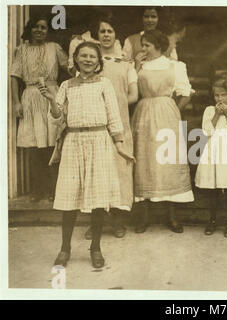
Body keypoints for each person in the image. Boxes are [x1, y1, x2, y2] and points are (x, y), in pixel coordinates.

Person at [39, 41, 134, 268]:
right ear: (76, 59)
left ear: (98, 61)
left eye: (92, 56)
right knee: (69, 197)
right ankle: (65, 248)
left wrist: (120, 145)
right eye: (84, 56)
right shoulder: (66, 85)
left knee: (98, 199)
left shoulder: (105, 84)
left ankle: (96, 248)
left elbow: (113, 115)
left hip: (99, 141)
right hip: (73, 142)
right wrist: (52, 100)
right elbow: (56, 116)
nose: (88, 60)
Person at [132, 30, 193, 234]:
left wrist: (172, 109)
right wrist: (135, 65)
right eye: (142, 44)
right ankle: (143, 217)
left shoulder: (175, 65)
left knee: (168, 162)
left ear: (158, 46)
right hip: (143, 114)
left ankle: (172, 216)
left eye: (147, 45)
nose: (143, 49)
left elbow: (185, 93)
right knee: (144, 161)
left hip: (167, 115)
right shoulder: (139, 66)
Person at [83, 17, 138, 240]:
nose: (106, 35)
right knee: (97, 172)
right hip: (96, 126)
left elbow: (134, 95)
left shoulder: (126, 65)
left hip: (121, 126)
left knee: (120, 172)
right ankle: (96, 223)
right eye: (102, 31)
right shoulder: (89, 64)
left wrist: (114, 105)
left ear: (116, 36)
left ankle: (118, 221)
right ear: (97, 35)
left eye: (110, 31)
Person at [10, 14, 68, 202]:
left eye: (43, 27)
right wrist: (17, 102)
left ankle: (53, 189)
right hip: (30, 96)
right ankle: (38, 190)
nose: (39, 30)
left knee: (53, 143)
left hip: (51, 95)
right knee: (34, 146)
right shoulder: (21, 50)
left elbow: (69, 67)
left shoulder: (54, 48)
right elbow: (14, 76)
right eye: (36, 27)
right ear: (30, 29)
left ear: (48, 31)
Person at [195, 75, 227, 237]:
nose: (220, 98)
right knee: (213, 188)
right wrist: (216, 115)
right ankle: (212, 220)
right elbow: (206, 131)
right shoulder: (209, 110)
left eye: (223, 95)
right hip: (213, 150)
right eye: (217, 95)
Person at [122, 7, 162, 71]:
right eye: (146, 16)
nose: (149, 20)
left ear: (159, 19)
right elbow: (125, 66)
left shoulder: (166, 40)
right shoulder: (130, 40)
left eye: (153, 17)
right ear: (141, 18)